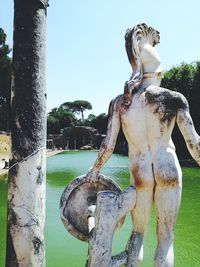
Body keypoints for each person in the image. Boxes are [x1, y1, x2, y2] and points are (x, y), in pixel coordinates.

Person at [86, 23, 200, 267]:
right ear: (158, 70)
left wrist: (94, 171)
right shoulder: (173, 99)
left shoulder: (120, 102)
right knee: (165, 239)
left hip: (140, 173)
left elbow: (107, 145)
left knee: (137, 234)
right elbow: (194, 145)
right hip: (167, 166)